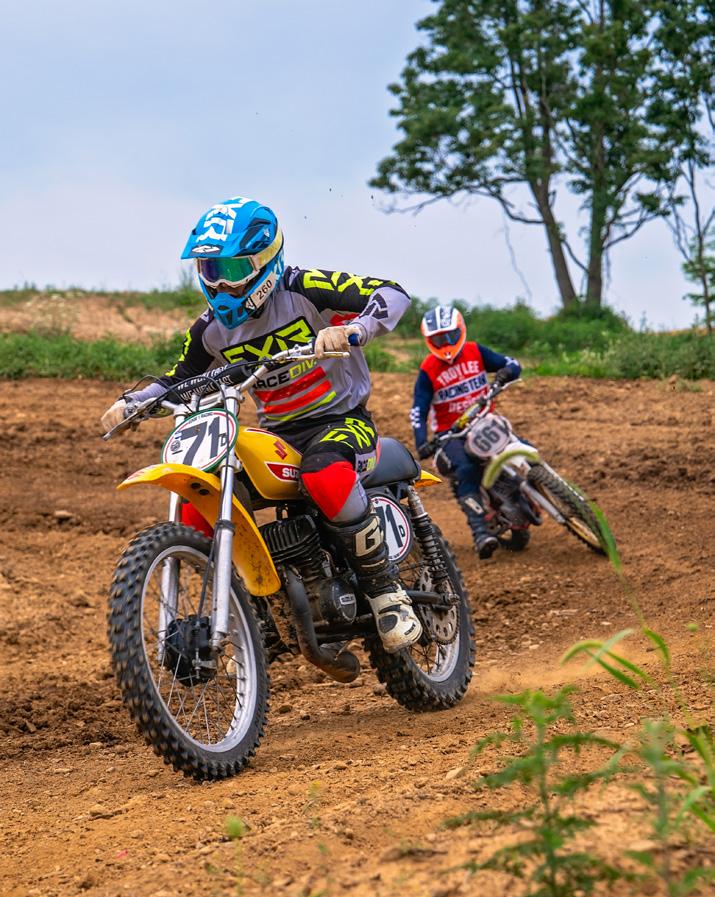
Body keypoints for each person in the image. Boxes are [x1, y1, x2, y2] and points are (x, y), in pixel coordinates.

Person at [101, 196, 422, 653]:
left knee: (323, 473)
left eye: (232, 269)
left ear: (264, 261)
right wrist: (134, 402)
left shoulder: (305, 288)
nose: (220, 283)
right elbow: (178, 379)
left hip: (342, 421)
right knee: (204, 493)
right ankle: (252, 611)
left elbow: (391, 292)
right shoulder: (210, 330)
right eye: (210, 269)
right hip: (279, 435)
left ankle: (386, 590)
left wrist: (355, 329)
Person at [410, 305, 521, 559]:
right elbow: (418, 409)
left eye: (450, 336)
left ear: (460, 330)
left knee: (520, 446)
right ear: (429, 340)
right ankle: (480, 531)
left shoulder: (475, 351)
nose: (446, 343)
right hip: (452, 434)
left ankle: (540, 483)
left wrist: (507, 371)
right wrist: (422, 442)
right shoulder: (428, 369)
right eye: (439, 339)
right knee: (466, 470)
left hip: (485, 419)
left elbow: (511, 363)